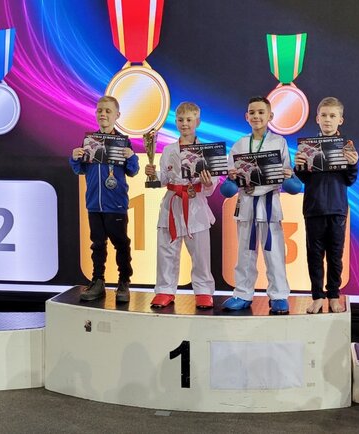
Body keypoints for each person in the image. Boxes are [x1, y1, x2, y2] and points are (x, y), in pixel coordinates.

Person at [220, 96, 296, 314]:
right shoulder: (239, 144)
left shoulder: (279, 142)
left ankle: (279, 295)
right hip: (246, 204)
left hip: (270, 204)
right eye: (252, 112)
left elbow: (288, 175)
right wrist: (231, 177)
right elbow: (230, 182)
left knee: (274, 252)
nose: (256, 116)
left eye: (261, 112)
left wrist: (288, 174)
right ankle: (243, 293)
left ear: (270, 116)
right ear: (246, 117)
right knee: (245, 252)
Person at [144, 102, 217, 309]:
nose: (184, 124)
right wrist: (153, 175)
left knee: (201, 254)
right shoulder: (168, 150)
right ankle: (165, 290)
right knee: (166, 251)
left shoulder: (207, 151)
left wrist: (207, 182)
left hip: (196, 206)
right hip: (172, 204)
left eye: (189, 120)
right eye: (180, 120)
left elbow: (211, 186)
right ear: (175, 122)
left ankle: (203, 291)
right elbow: (165, 179)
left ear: (197, 122)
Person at [70, 95, 139, 302]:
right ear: (95, 114)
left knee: (121, 243)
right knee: (97, 244)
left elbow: (133, 171)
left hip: (116, 204)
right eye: (100, 110)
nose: (103, 114)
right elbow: (80, 170)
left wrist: (131, 157)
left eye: (108, 111)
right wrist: (74, 158)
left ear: (117, 115)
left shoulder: (123, 142)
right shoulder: (89, 142)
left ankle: (124, 282)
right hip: (94, 204)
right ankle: (98, 281)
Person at [294, 97, 358, 313]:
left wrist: (353, 164)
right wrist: (299, 166)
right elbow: (304, 179)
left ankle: (333, 296)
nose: (328, 120)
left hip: (337, 209)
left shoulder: (347, 148)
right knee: (314, 256)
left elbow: (350, 180)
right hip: (314, 209)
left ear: (341, 120)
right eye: (324, 115)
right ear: (317, 119)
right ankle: (317, 297)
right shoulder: (307, 148)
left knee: (335, 256)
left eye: (332, 116)